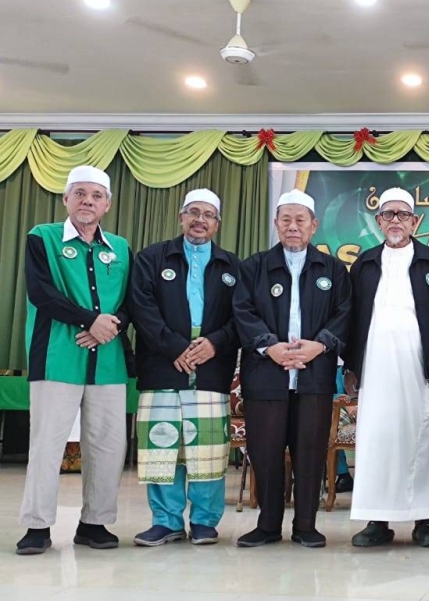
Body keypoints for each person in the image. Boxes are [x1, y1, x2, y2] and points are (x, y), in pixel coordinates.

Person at [17, 166, 132, 555]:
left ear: (108, 205)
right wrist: (90, 320)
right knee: (47, 444)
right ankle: (37, 526)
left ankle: (94, 523)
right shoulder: (42, 237)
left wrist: (109, 326)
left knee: (108, 446)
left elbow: (133, 301)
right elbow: (41, 292)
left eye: (96, 196)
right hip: (56, 357)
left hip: (109, 361)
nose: (88, 201)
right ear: (66, 199)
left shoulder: (120, 246)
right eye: (80, 193)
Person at [346, 188, 429, 548]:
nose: (395, 220)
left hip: (422, 370)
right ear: (379, 221)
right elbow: (351, 320)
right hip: (376, 370)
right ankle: (376, 520)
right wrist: (352, 367)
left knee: (424, 441)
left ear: (416, 221)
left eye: (403, 215)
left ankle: (424, 520)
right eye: (388, 214)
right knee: (378, 440)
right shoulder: (365, 264)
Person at [233, 189, 351, 549]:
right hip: (266, 374)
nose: (293, 226)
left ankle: (306, 525)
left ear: (314, 225)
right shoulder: (254, 266)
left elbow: (346, 312)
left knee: (310, 451)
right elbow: (242, 310)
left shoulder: (332, 269)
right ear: (276, 224)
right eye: (286, 219)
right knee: (266, 452)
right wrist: (271, 346)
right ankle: (267, 524)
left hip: (313, 376)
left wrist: (321, 344)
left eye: (301, 220)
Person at [129, 189, 241, 546]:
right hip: (163, 362)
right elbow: (141, 307)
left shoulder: (231, 265)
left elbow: (243, 316)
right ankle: (166, 520)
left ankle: (206, 522)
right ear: (181, 217)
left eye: (208, 214)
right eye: (193, 212)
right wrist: (175, 346)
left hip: (211, 366)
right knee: (162, 446)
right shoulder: (151, 257)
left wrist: (214, 343)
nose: (200, 220)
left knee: (207, 448)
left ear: (217, 223)